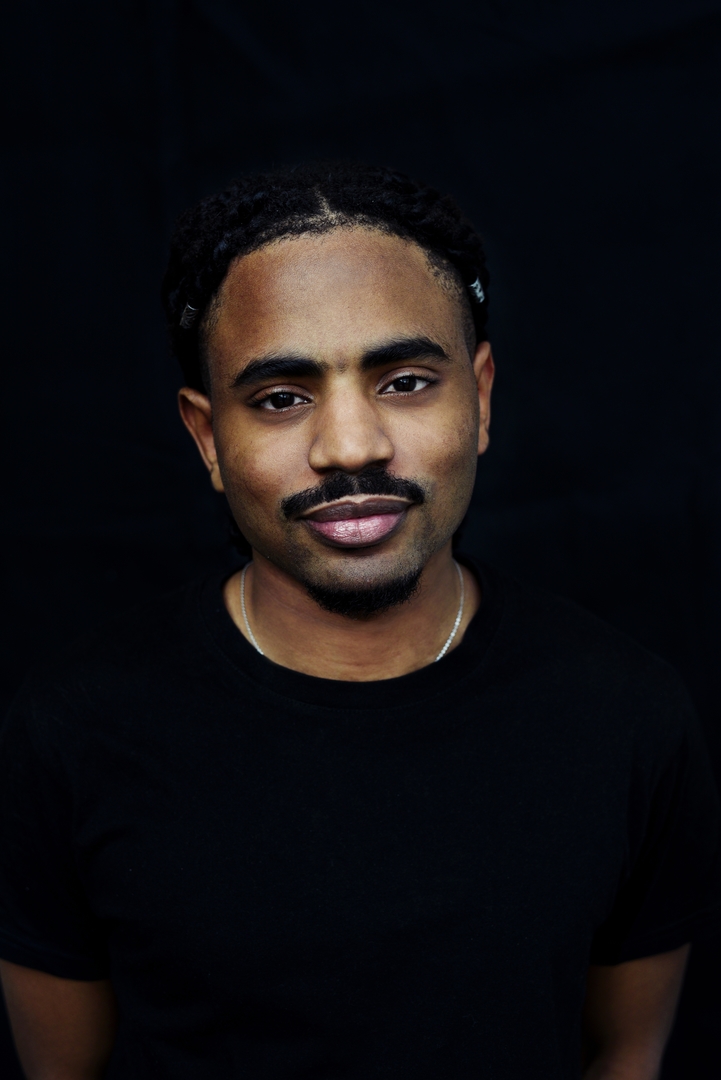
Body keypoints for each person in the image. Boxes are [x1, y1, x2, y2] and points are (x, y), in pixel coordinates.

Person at [0, 162, 719, 1080]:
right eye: (280, 398)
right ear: (207, 437)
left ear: (480, 396)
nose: (350, 446)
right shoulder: (73, 732)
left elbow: (623, 1055)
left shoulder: (626, 715)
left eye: (406, 381)